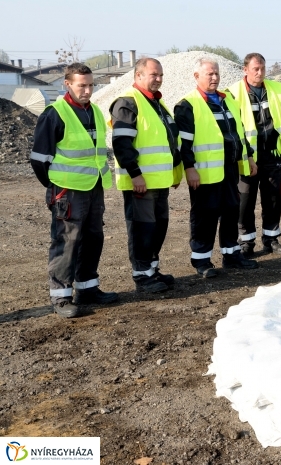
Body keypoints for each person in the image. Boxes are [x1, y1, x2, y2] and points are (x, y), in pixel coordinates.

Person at [29, 62, 119, 318]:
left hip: (93, 187)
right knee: (67, 241)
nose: (88, 90)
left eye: (91, 85)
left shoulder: (96, 112)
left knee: (93, 238)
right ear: (67, 84)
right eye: (83, 85)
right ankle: (61, 297)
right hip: (67, 191)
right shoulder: (54, 113)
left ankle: (87, 288)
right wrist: (54, 187)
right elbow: (39, 159)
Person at [174, 57, 259, 278]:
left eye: (217, 74)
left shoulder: (227, 100)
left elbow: (239, 133)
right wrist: (190, 168)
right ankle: (202, 261)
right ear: (196, 76)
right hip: (204, 172)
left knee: (232, 210)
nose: (214, 77)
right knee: (205, 215)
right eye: (209, 74)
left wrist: (248, 156)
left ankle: (231, 255)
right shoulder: (187, 105)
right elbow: (184, 143)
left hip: (230, 168)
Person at [109, 57, 182, 294]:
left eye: (160, 75)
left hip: (159, 181)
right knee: (142, 229)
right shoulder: (128, 103)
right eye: (154, 75)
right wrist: (135, 174)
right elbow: (121, 143)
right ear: (138, 76)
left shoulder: (157, 104)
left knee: (158, 227)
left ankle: (151, 269)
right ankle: (141, 275)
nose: (159, 79)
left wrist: (175, 172)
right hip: (140, 182)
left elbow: (169, 142)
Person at [225, 53, 281, 257]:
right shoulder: (232, 93)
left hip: (271, 154)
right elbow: (234, 128)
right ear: (245, 69)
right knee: (245, 200)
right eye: (256, 69)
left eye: (263, 68)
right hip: (247, 157)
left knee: (273, 199)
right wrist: (244, 155)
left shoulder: (275, 89)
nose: (260, 72)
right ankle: (246, 242)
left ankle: (271, 239)